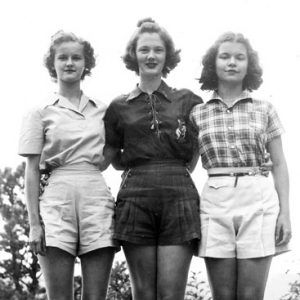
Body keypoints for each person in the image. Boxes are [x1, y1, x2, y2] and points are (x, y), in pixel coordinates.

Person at [104, 18, 202, 300]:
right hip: (136, 198)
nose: (151, 56)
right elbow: (113, 157)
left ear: (167, 55)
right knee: (144, 294)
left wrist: (179, 168)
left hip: (179, 195)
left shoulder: (187, 100)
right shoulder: (118, 106)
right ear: (133, 55)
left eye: (158, 50)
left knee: (172, 294)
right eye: (144, 49)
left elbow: (197, 146)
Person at [190, 32, 292, 300]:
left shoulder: (264, 109)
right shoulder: (198, 113)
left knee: (250, 296)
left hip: (257, 197)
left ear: (249, 64)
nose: (232, 63)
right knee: (222, 296)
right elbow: (187, 164)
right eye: (224, 57)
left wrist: (285, 213)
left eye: (239, 57)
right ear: (214, 64)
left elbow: (280, 164)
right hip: (215, 198)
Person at [18, 31, 116, 300]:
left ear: (87, 64)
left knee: (96, 297)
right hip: (56, 201)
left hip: (95, 196)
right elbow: (32, 170)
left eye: (76, 57)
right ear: (53, 63)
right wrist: (35, 224)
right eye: (63, 58)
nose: (70, 63)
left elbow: (111, 152)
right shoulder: (40, 111)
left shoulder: (103, 110)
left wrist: (89, 167)